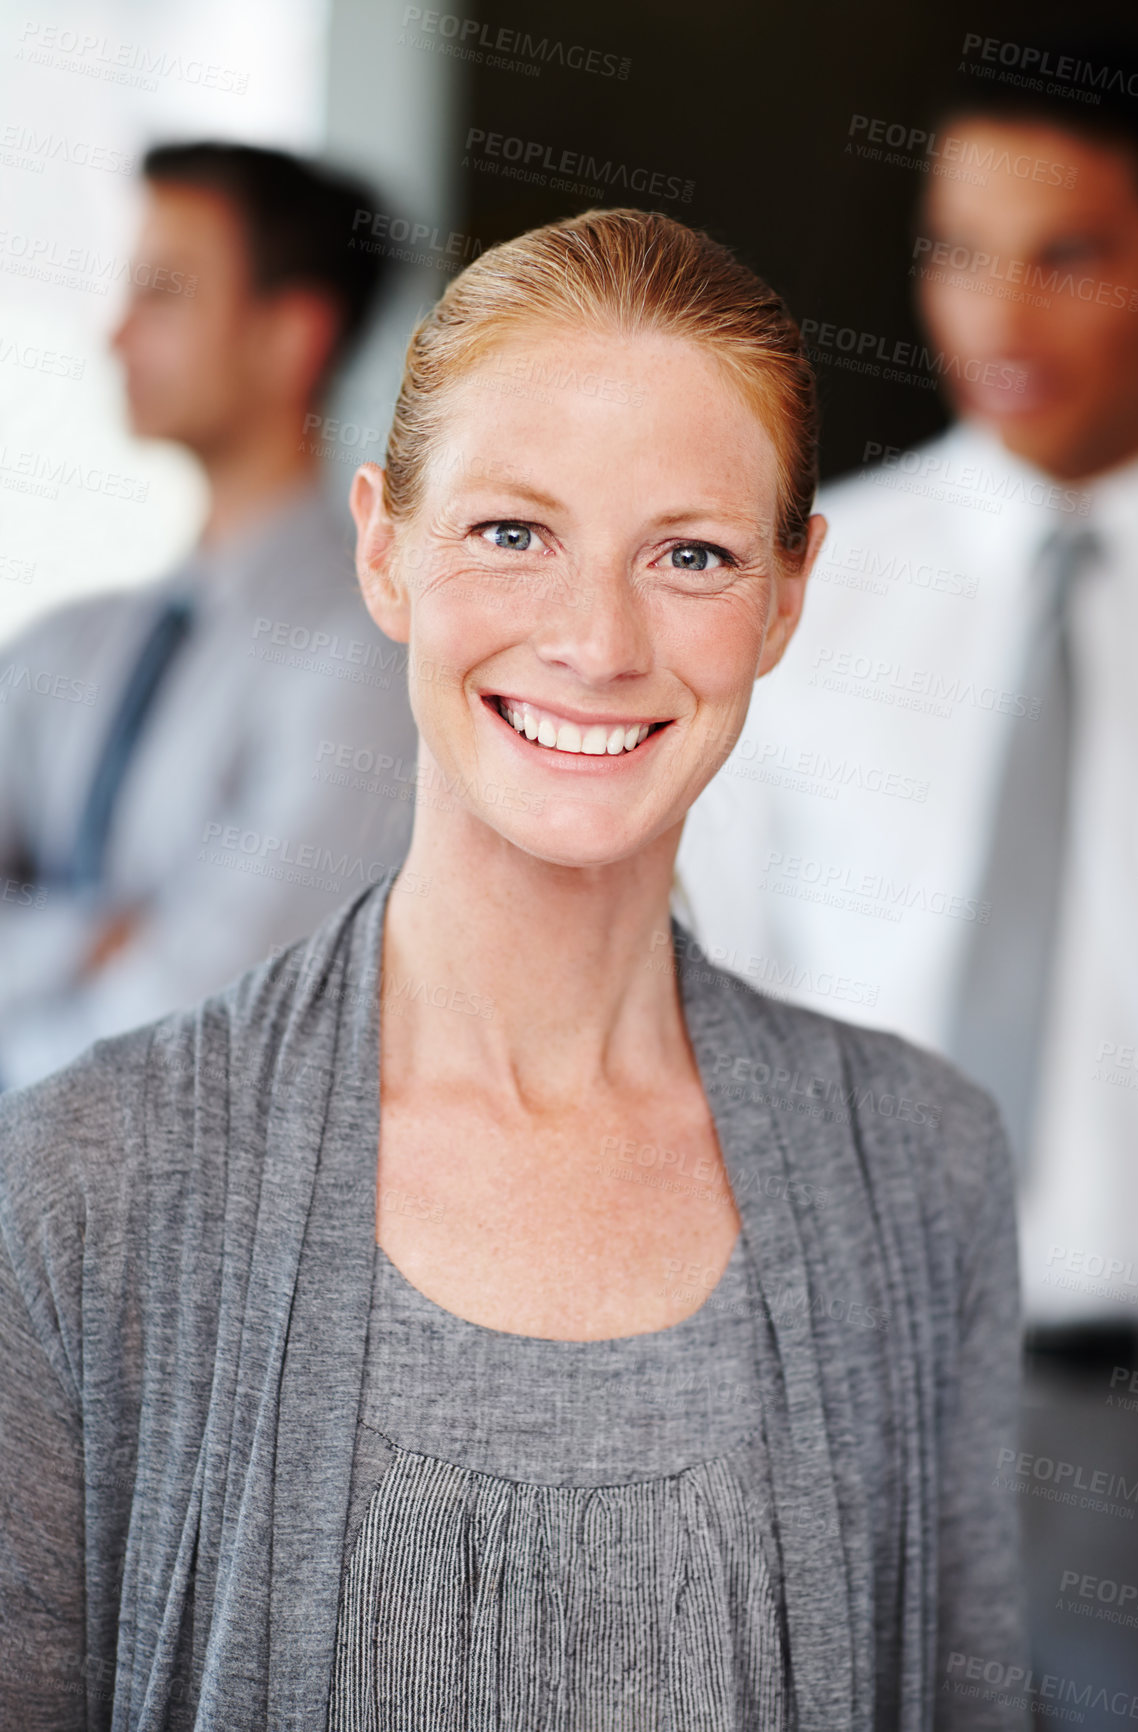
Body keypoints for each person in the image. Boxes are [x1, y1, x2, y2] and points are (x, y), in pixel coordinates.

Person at [0, 208, 1025, 1730]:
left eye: (690, 553)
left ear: (789, 595)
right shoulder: (85, 1183)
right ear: (383, 548)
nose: (596, 641)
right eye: (510, 532)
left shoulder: (922, 1168)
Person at [676, 59, 1138, 1718]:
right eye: (955, 250)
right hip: (845, 1398)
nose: (996, 310)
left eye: (1065, 254)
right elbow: (703, 995)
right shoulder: (801, 588)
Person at [0, 141, 417, 1091]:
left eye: (166, 291)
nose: (116, 335)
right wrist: (87, 939)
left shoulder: (371, 657)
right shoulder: (73, 645)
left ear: (291, 337)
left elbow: (198, 1026)